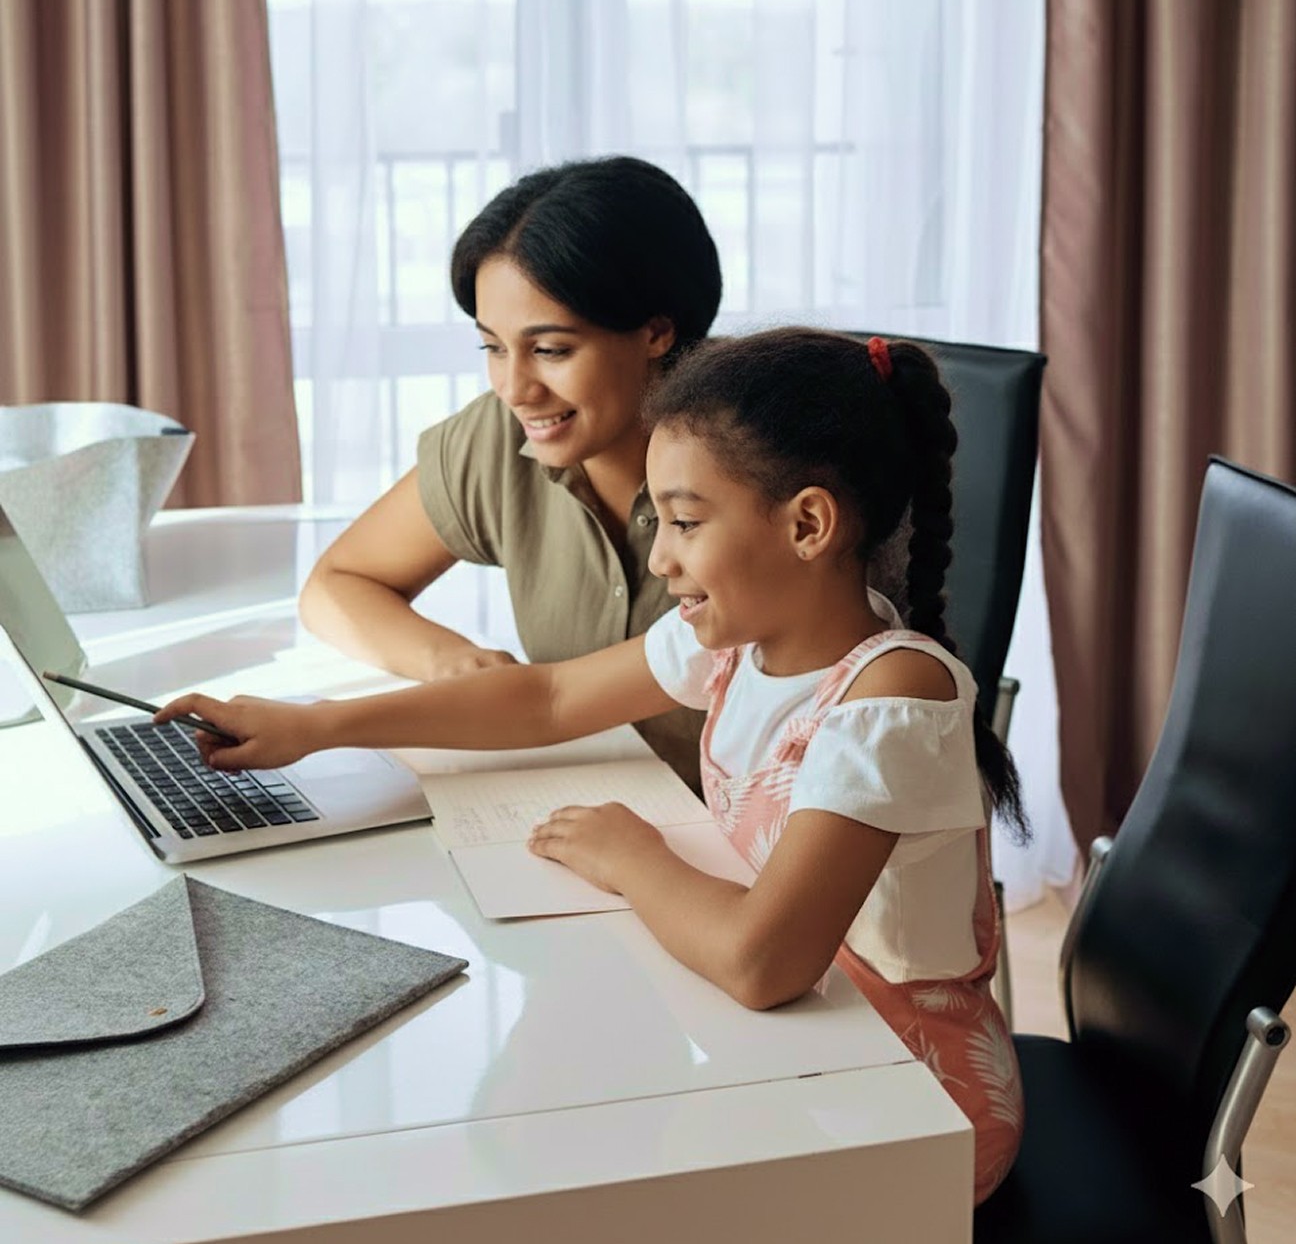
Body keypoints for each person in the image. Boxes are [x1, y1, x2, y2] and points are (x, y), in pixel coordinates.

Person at [158, 328, 1029, 1203]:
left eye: (687, 523)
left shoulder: (890, 700)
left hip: (909, 1112)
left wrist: (633, 857)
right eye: (661, 522)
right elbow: (544, 701)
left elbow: (763, 965)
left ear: (807, 524)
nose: (660, 558)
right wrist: (315, 727)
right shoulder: (737, 645)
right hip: (796, 1054)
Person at [296, 155, 723, 792]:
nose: (514, 388)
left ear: (657, 331)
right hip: (591, 814)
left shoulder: (758, 457)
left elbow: (551, 698)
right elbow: (337, 586)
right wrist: (457, 665)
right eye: (492, 346)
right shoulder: (504, 434)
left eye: (550, 350)